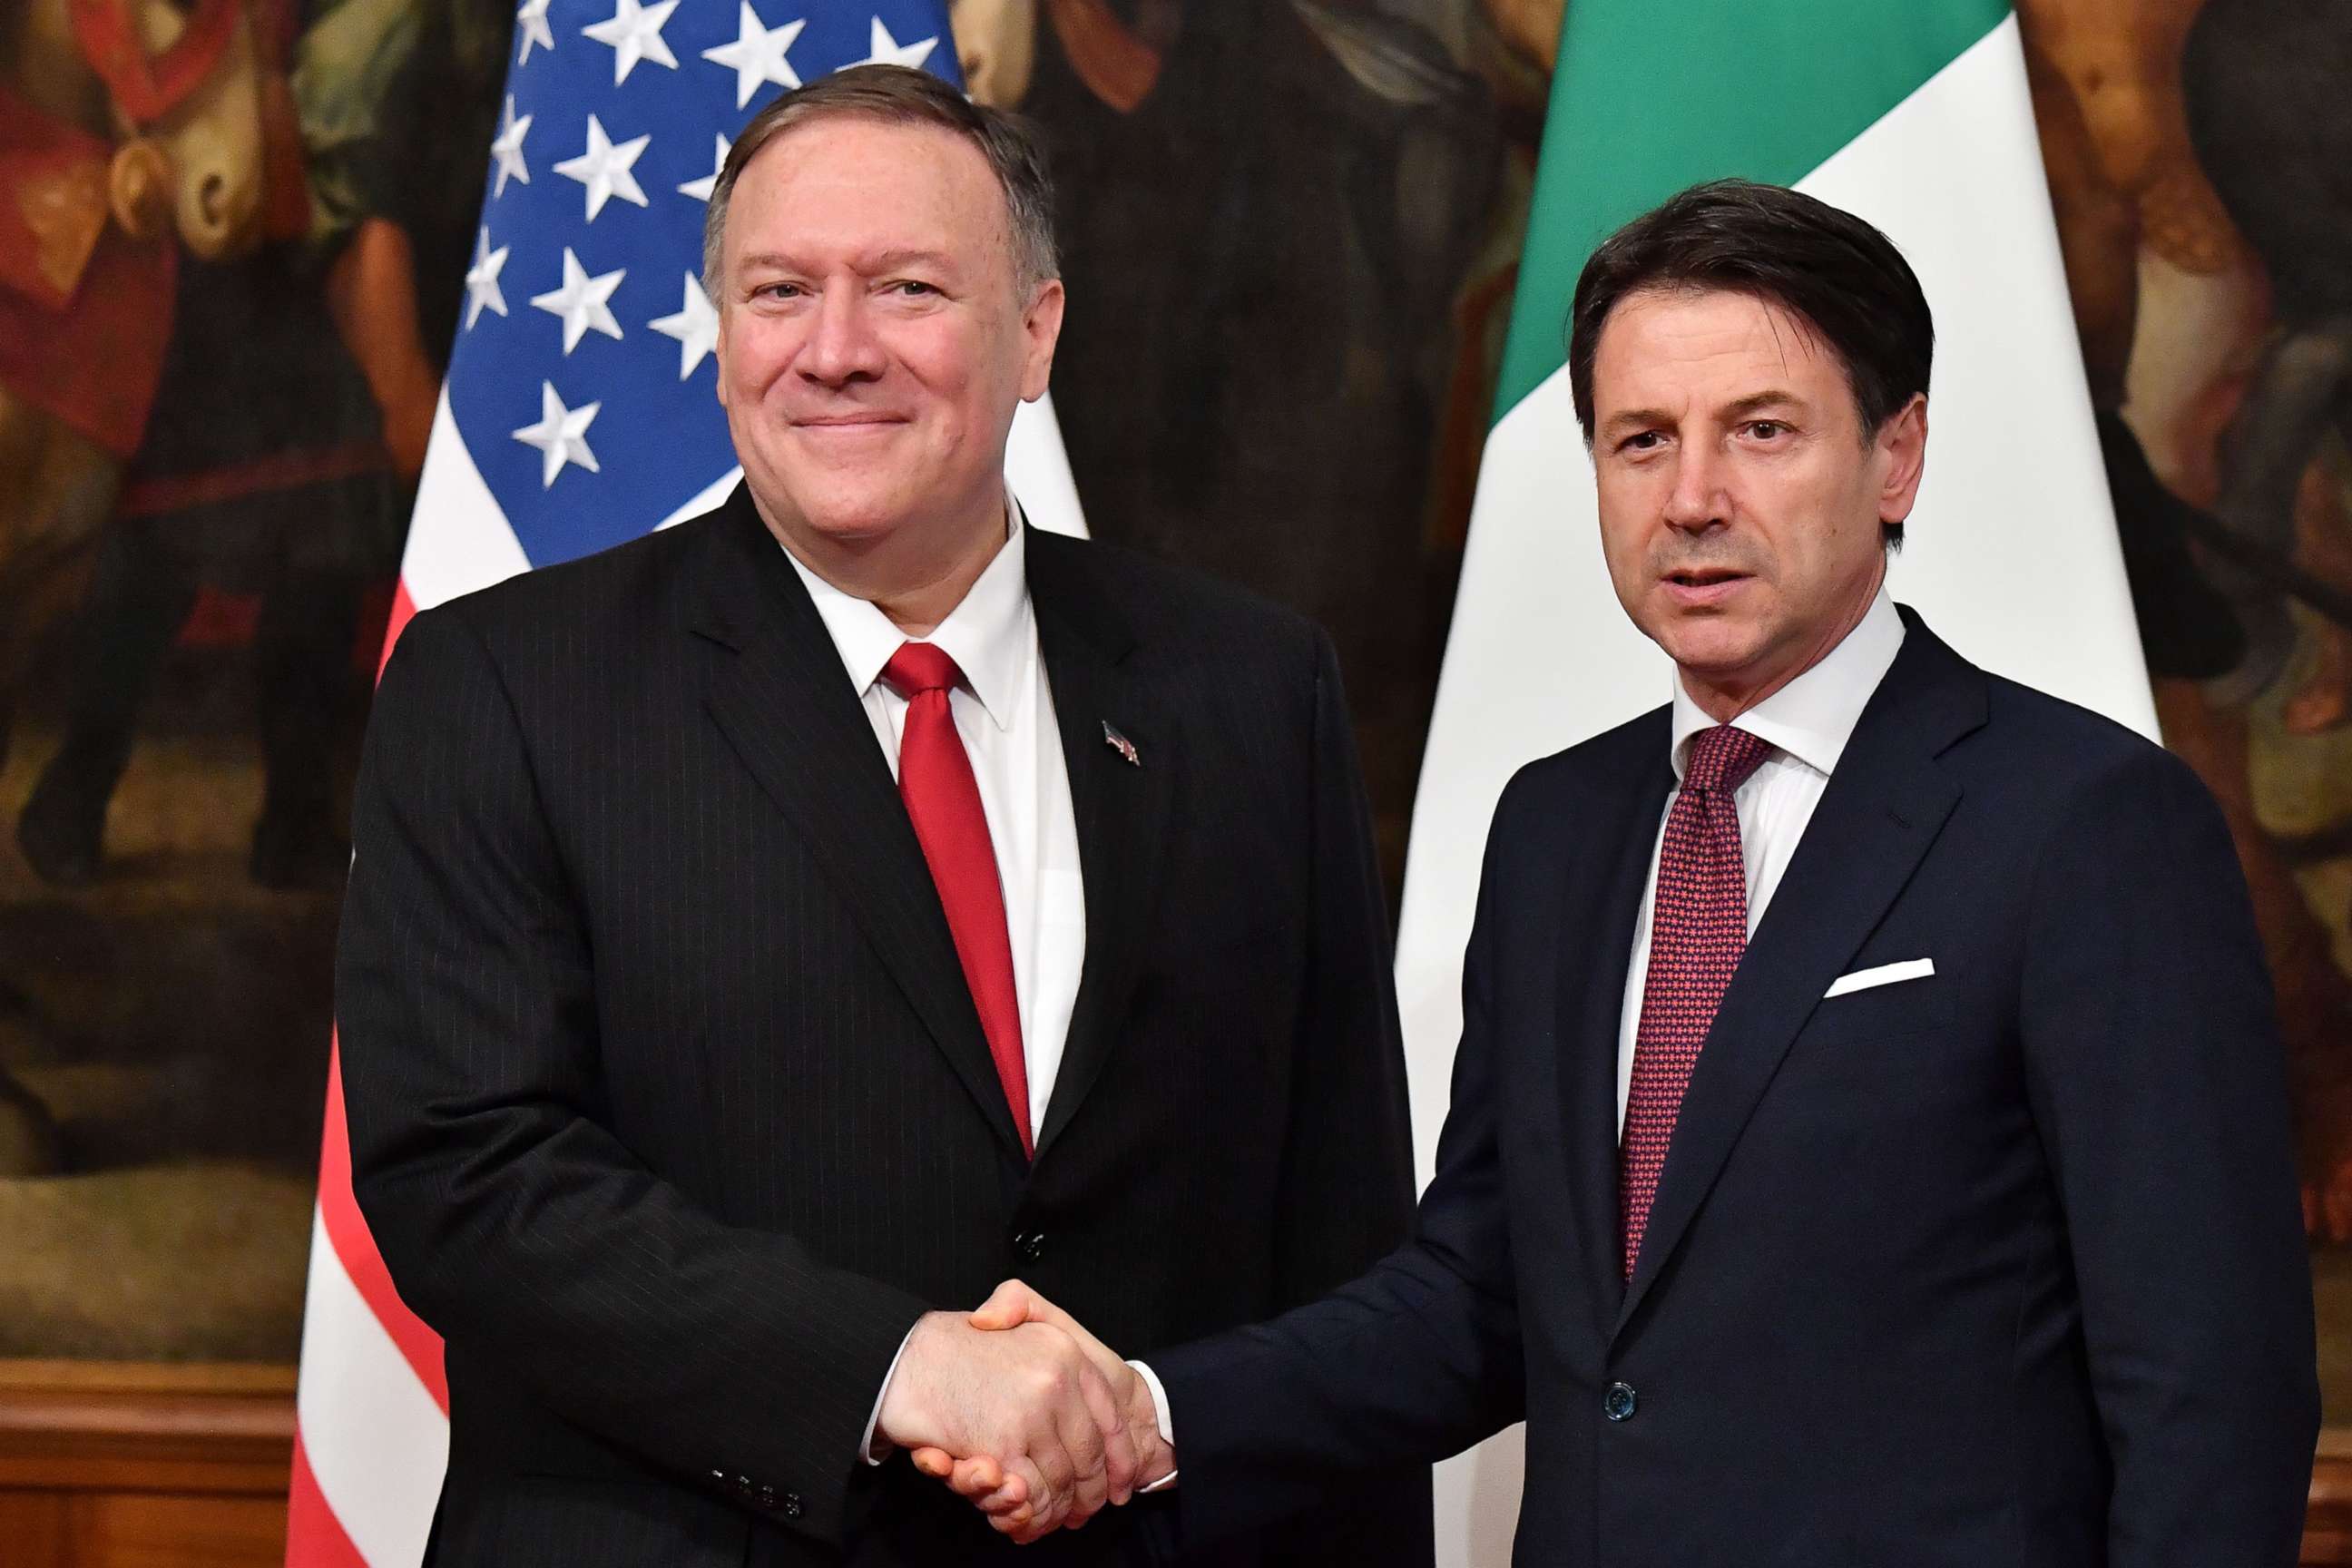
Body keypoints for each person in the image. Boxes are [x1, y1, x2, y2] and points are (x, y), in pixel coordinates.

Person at [934, 180, 2321, 1565]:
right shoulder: (1558, 827)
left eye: (1762, 434)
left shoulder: (2088, 825)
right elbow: (1483, 1296)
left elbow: (2209, 1394)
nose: (1693, 501)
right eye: (1641, 441)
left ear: (1897, 456)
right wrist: (1149, 1408)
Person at [334, 64, 1430, 1567]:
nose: (834, 351)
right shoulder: (504, 688)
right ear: (723, 335)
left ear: (1035, 331)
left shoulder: (1248, 692)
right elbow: (467, 1176)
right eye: (780, 291)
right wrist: (897, 1364)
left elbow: (1342, 1253)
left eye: (907, 288)